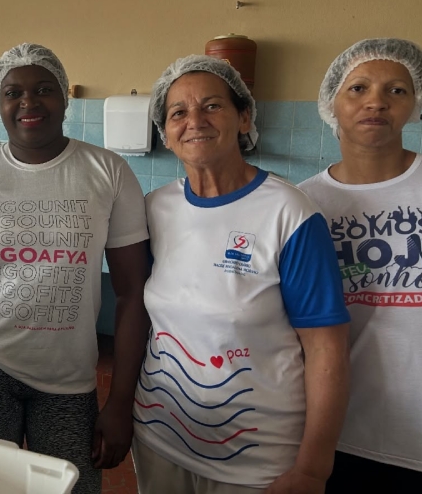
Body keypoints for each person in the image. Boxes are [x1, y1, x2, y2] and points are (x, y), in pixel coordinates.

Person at [0, 43, 150, 493]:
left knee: (71, 486)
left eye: (44, 89)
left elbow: (132, 293)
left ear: (64, 97)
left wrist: (122, 401)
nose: (28, 102)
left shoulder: (108, 172)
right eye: (13, 92)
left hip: (69, 374)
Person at [132, 55, 351, 494]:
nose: (195, 121)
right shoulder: (156, 208)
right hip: (159, 439)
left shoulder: (288, 213)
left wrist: (313, 468)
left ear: (244, 118)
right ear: (165, 133)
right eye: (178, 112)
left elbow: (326, 348)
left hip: (256, 459)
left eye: (212, 106)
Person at [298, 39, 422, 493]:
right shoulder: (303, 203)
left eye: (396, 90)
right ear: (331, 103)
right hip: (341, 433)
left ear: (417, 101)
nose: (377, 102)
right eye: (358, 88)